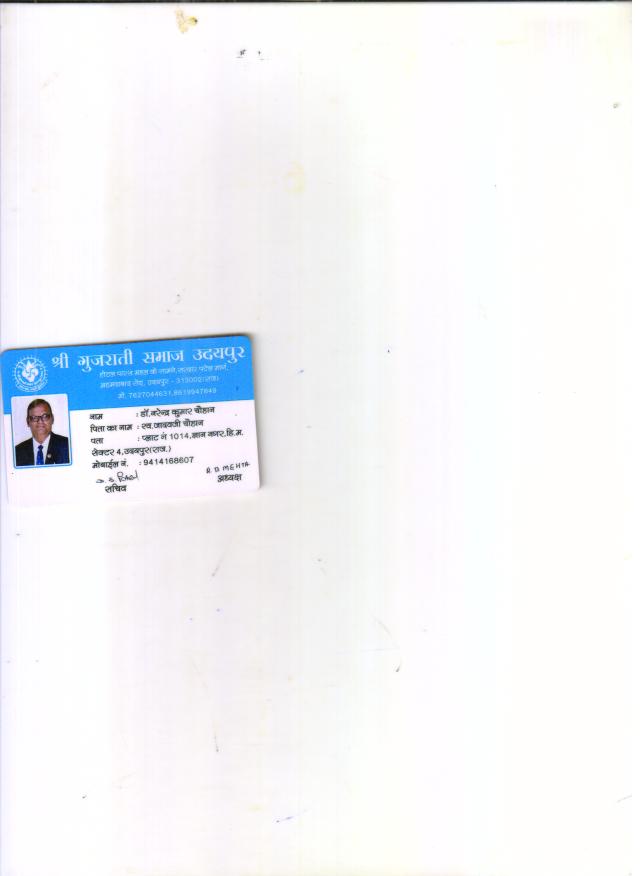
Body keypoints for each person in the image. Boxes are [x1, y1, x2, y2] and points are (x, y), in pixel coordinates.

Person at [14, 398, 70, 466]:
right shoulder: (17, 451)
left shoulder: (67, 446)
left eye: (45, 416)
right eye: (34, 417)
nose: (40, 421)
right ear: (28, 422)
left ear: (52, 419)